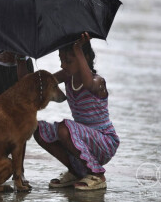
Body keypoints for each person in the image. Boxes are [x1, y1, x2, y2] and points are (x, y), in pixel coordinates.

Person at [34, 32, 119, 190]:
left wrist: (78, 48)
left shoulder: (97, 82)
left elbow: (88, 84)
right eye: (61, 59)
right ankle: (76, 171)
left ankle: (97, 174)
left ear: (84, 58)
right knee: (37, 129)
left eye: (68, 60)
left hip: (104, 142)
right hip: (79, 140)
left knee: (64, 128)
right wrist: (21, 59)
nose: (63, 65)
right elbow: (39, 85)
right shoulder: (67, 76)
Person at [0, 47, 34, 186]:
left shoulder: (27, 25)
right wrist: (0, 57)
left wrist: (21, 56)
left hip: (22, 68)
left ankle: (19, 171)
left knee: (22, 122)